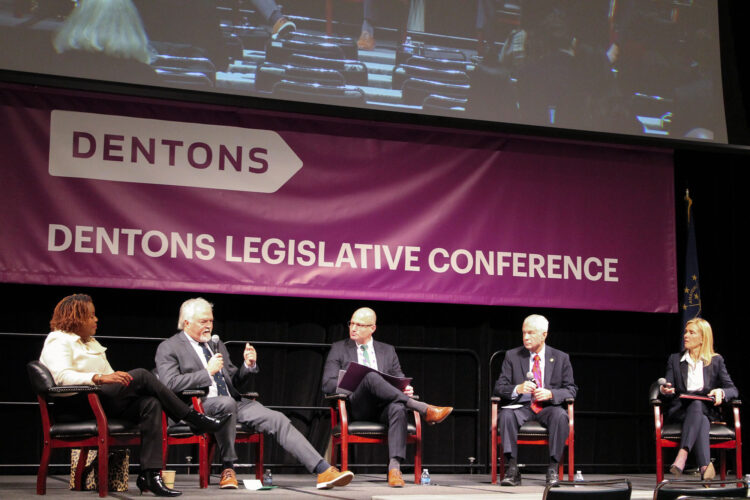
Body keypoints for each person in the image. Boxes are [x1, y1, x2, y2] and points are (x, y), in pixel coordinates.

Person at [39, 294, 231, 497]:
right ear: (77, 317)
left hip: (100, 401)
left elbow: (113, 378)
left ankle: (150, 474)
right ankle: (193, 418)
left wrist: (112, 380)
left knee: (151, 403)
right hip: (75, 405)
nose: (96, 320)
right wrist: (98, 378)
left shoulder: (92, 343)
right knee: (141, 375)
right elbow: (61, 377)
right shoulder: (58, 340)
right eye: (91, 316)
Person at [155, 298, 353, 490]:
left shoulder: (215, 344)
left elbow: (232, 380)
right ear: (187, 322)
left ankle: (323, 469)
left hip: (233, 403)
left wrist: (248, 366)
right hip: (197, 406)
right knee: (226, 404)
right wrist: (206, 373)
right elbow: (169, 384)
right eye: (203, 321)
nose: (209, 326)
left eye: (211, 321)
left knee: (277, 418)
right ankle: (228, 468)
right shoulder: (169, 347)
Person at [321, 307, 453, 487]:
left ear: (372, 328)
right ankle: (423, 408)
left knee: (398, 407)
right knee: (369, 376)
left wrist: (405, 388)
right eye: (351, 323)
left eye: (359, 325)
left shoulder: (387, 350)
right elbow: (327, 384)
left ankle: (394, 469)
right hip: (357, 406)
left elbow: (399, 379)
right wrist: (351, 381)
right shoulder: (339, 349)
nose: (353, 328)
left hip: (384, 407)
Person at [493, 314, 577, 487]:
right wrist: (518, 388)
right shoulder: (512, 356)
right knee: (506, 415)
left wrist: (551, 394)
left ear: (544, 335)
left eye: (531, 333)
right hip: (521, 406)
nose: (526, 337)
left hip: (548, 408)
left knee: (561, 416)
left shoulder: (561, 358)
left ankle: (553, 468)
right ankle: (513, 469)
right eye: (524, 333)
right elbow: (499, 387)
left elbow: (571, 389)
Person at [659, 317, 738, 480]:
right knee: (696, 408)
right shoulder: (675, 360)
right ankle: (704, 466)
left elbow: (733, 390)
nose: (685, 336)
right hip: (681, 411)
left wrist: (721, 392)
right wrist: (665, 389)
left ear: (702, 338)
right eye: (685, 332)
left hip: (708, 411)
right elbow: (667, 385)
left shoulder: (716, 360)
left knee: (699, 410)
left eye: (691, 332)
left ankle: (684, 454)